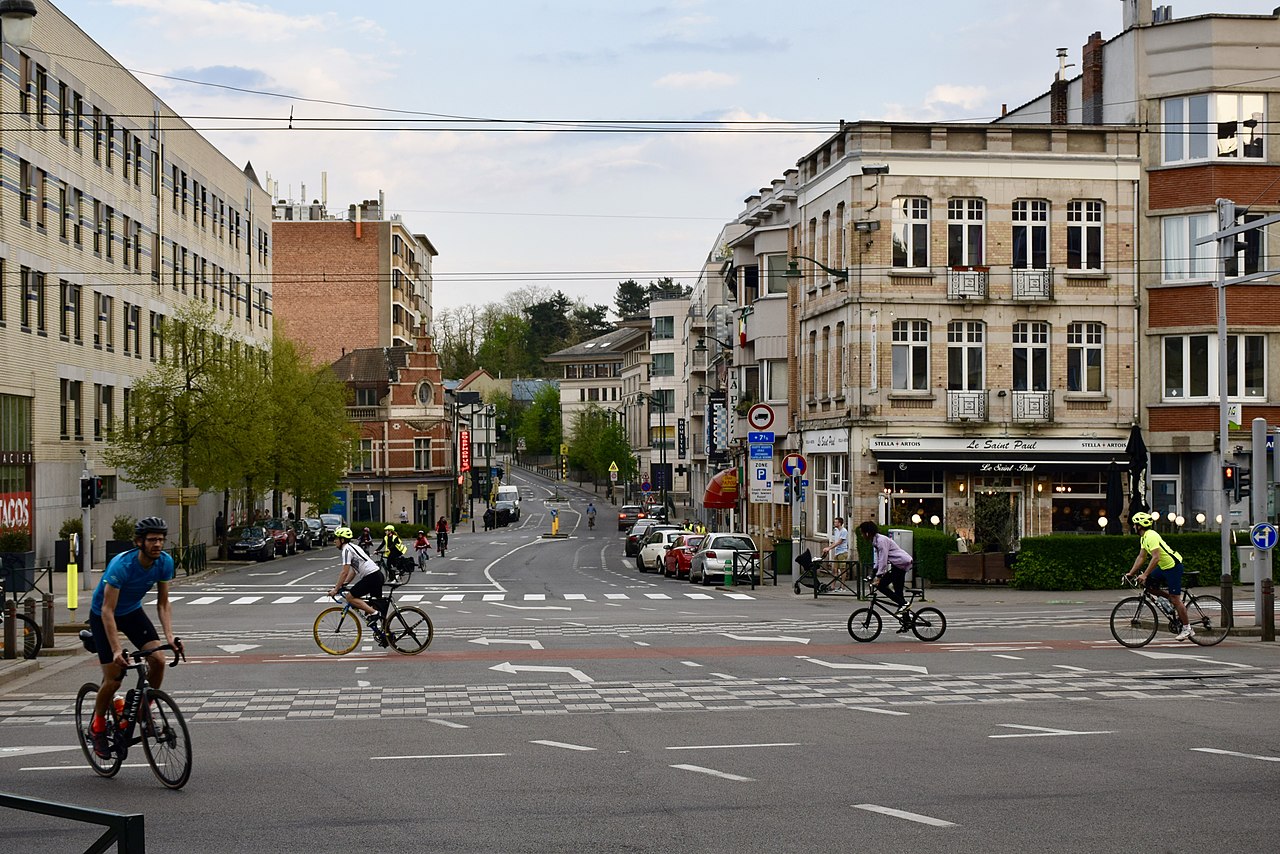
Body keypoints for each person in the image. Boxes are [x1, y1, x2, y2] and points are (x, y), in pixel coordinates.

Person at [87, 516, 182, 758]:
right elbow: (108, 610)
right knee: (114, 679)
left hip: (131, 612)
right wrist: (118, 649)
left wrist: (169, 636)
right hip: (103, 614)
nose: (157, 544)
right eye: (152, 540)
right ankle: (97, 727)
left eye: (161, 539)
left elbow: (163, 603)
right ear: (139, 542)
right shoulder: (122, 565)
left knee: (159, 660)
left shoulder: (165, 563)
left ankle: (142, 712)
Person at [1127, 511, 1194, 640]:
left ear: (1140, 525)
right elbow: (1141, 557)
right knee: (1149, 586)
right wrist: (1131, 573)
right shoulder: (1144, 538)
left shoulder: (1151, 536)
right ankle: (1169, 599)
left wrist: (1145, 574)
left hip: (1173, 567)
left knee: (1176, 598)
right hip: (1164, 567)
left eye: (1135, 524)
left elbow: (1156, 558)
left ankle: (1187, 628)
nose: (1133, 527)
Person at [328, 527, 386, 644]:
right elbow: (353, 571)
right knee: (375, 605)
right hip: (376, 575)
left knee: (350, 597)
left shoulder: (346, 550)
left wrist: (336, 589)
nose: (334, 541)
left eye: (336, 538)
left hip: (372, 576)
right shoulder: (354, 547)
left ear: (342, 540)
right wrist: (345, 584)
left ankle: (375, 614)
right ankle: (384, 636)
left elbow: (344, 572)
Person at [858, 521, 914, 622]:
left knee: (881, 586)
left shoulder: (881, 541)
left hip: (901, 563)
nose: (862, 536)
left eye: (862, 533)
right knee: (898, 593)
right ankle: (907, 621)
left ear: (867, 533)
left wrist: (879, 576)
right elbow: (878, 559)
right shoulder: (875, 540)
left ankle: (904, 604)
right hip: (897, 564)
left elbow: (883, 559)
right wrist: (872, 574)